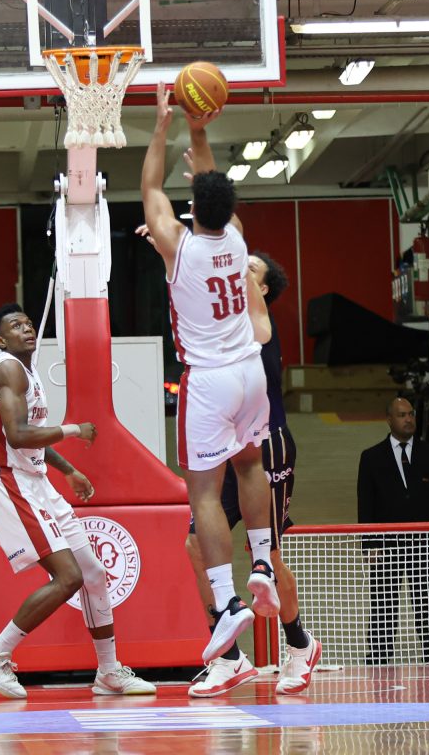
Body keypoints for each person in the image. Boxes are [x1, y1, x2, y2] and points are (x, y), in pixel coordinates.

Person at [140, 83, 280, 667]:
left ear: (192, 209)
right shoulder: (239, 238)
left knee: (202, 492)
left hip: (210, 379)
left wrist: (163, 124)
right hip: (251, 371)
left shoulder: (179, 246)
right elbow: (211, 180)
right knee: (250, 465)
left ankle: (226, 602)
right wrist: (199, 128)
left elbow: (151, 188)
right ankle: (263, 561)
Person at [0, 303, 156, 699]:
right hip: (13, 481)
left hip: (37, 481)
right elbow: (17, 435)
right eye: (15, 325)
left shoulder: (29, 372)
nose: (26, 328)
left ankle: (108, 672)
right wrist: (73, 430)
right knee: (69, 577)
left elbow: (31, 437)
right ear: (0, 340)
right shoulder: (7, 369)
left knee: (94, 574)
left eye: (28, 322)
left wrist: (68, 470)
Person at [178, 252, 322, 697]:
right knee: (195, 545)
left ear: (262, 289)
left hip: (267, 445)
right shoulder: (217, 321)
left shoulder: (257, 318)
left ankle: (299, 646)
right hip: (226, 446)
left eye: (249, 268)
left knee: (268, 555)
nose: (238, 268)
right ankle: (228, 657)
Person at [357, 397, 429, 664]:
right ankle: (380, 652)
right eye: (402, 415)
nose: (408, 419)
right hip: (386, 546)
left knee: (427, 601)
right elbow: (365, 505)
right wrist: (369, 545)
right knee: (383, 601)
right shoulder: (371, 458)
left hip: (424, 543)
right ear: (389, 419)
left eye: (411, 414)